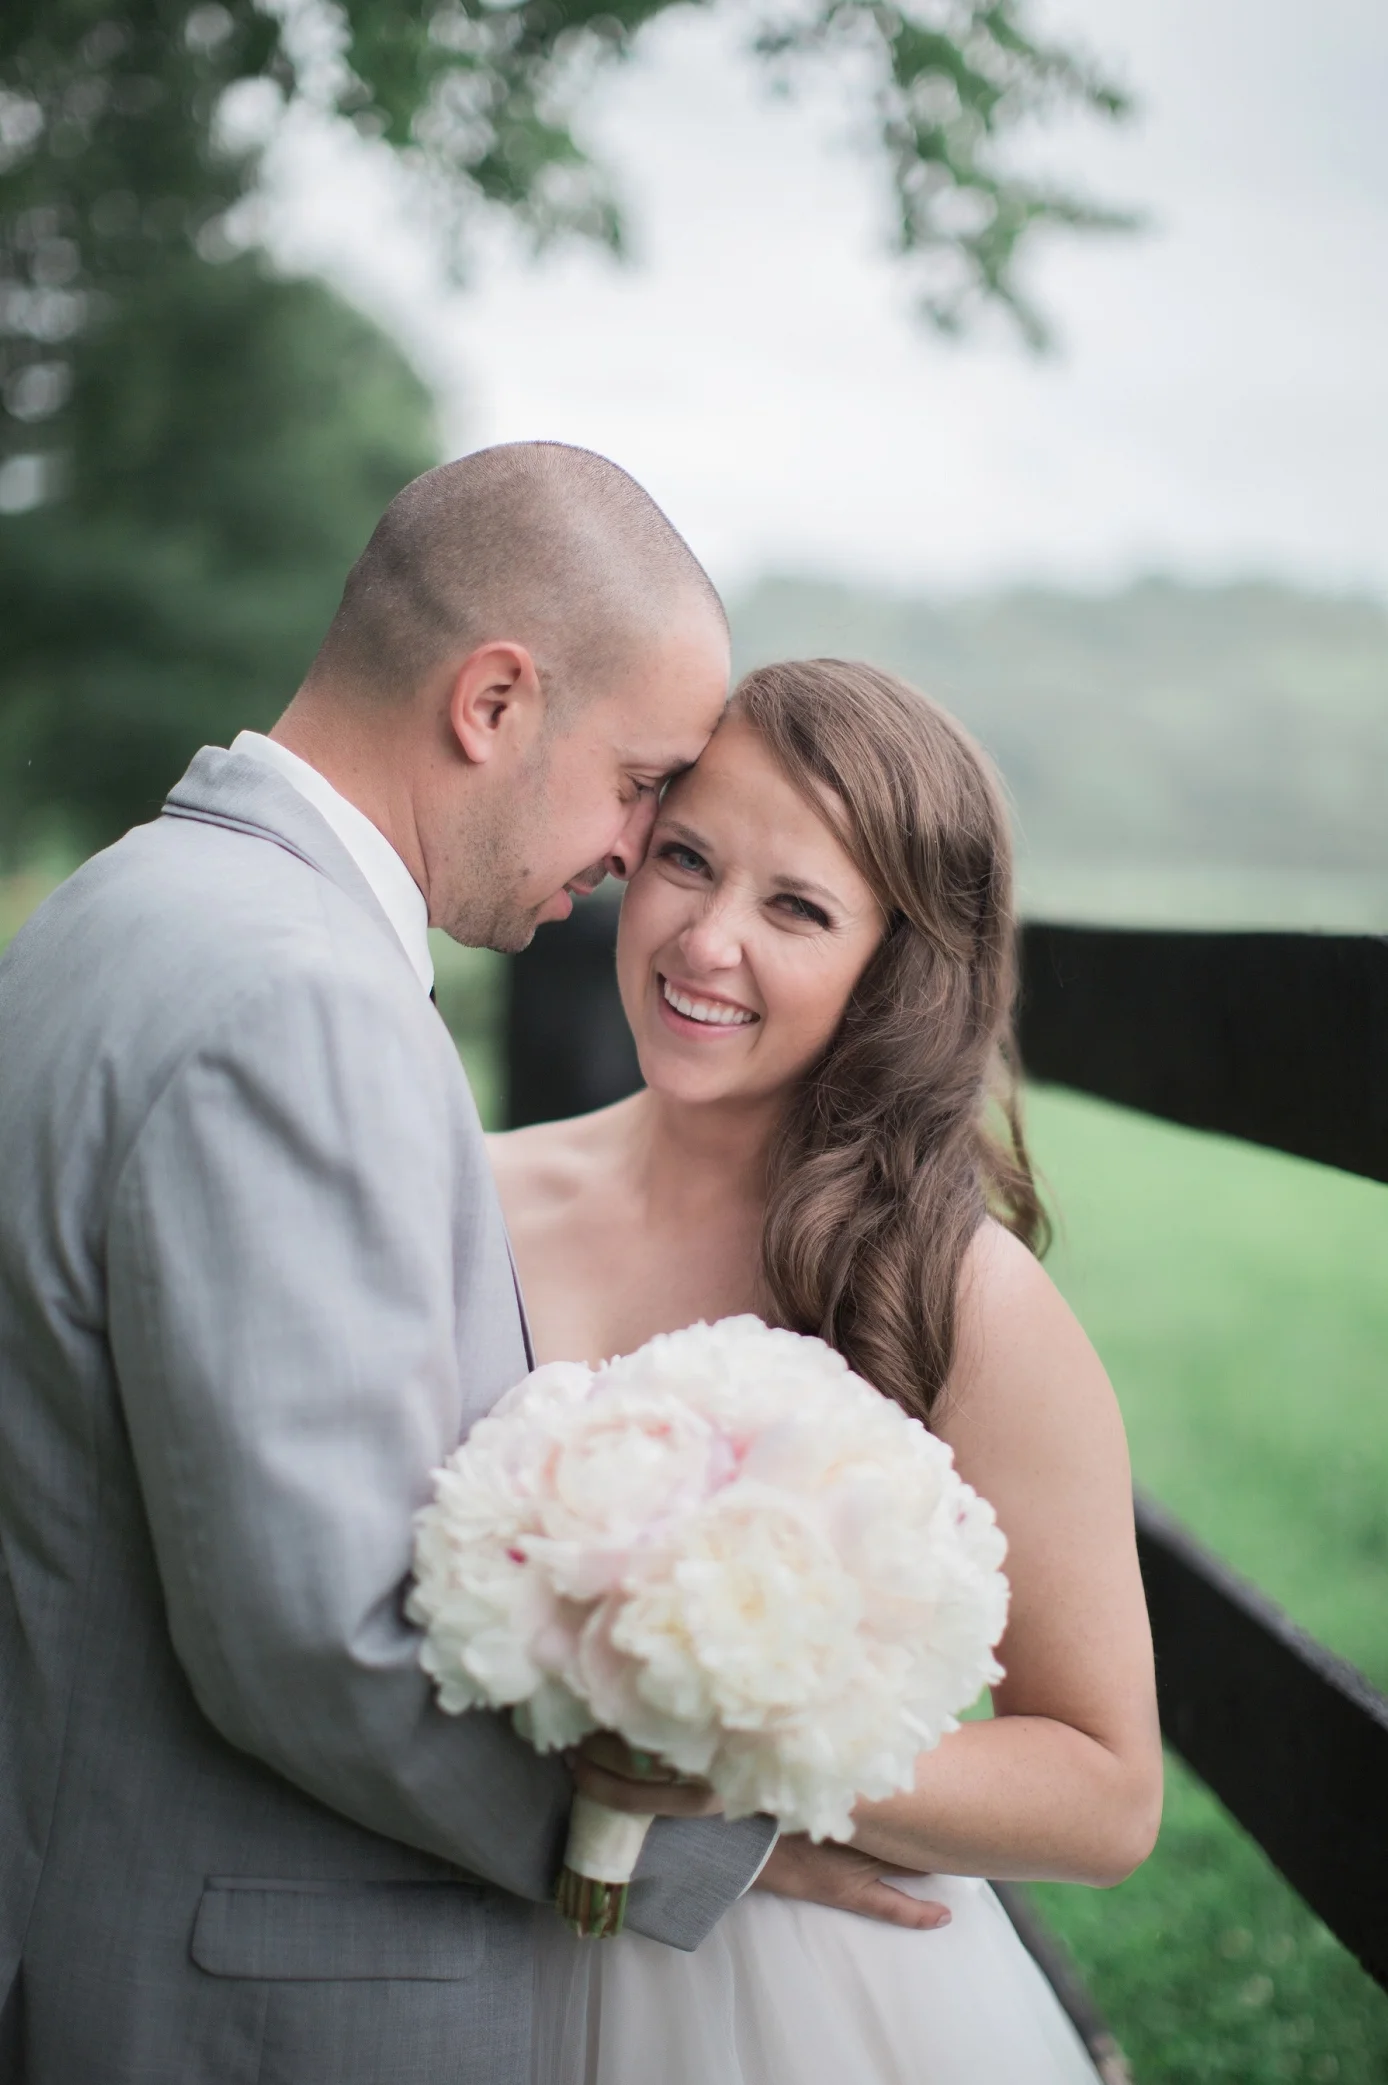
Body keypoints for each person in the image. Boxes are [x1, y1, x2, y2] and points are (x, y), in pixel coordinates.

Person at [0, 442, 796, 2085]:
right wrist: (695, 1849)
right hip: (228, 1990)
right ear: (494, 702)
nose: (641, 853)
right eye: (643, 782)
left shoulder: (117, 904)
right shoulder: (299, 1003)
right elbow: (318, 1637)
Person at [490, 658, 1165, 2085]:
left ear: (895, 967)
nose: (705, 940)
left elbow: (1106, 1794)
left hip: (815, 2006)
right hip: (463, 1935)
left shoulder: (955, 1293)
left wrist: (740, 1775)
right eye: (686, 860)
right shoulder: (466, 1200)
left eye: (796, 907)